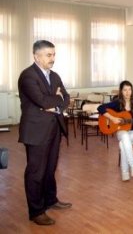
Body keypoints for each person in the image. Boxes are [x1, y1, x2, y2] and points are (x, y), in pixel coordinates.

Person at [18, 40, 71, 225]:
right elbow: (42, 101)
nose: (53, 58)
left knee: (50, 168)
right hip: (35, 131)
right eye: (49, 55)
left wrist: (55, 102)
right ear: (36, 56)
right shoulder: (28, 76)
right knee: (36, 172)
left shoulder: (54, 76)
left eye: (54, 54)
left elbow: (67, 97)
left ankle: (50, 200)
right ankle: (36, 211)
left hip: (54, 127)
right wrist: (56, 98)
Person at [97, 80, 133, 181]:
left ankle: (125, 173)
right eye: (125, 90)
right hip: (121, 131)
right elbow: (100, 108)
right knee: (125, 138)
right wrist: (113, 119)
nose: (127, 92)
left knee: (123, 144)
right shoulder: (117, 103)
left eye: (129, 90)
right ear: (121, 91)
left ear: (132, 91)